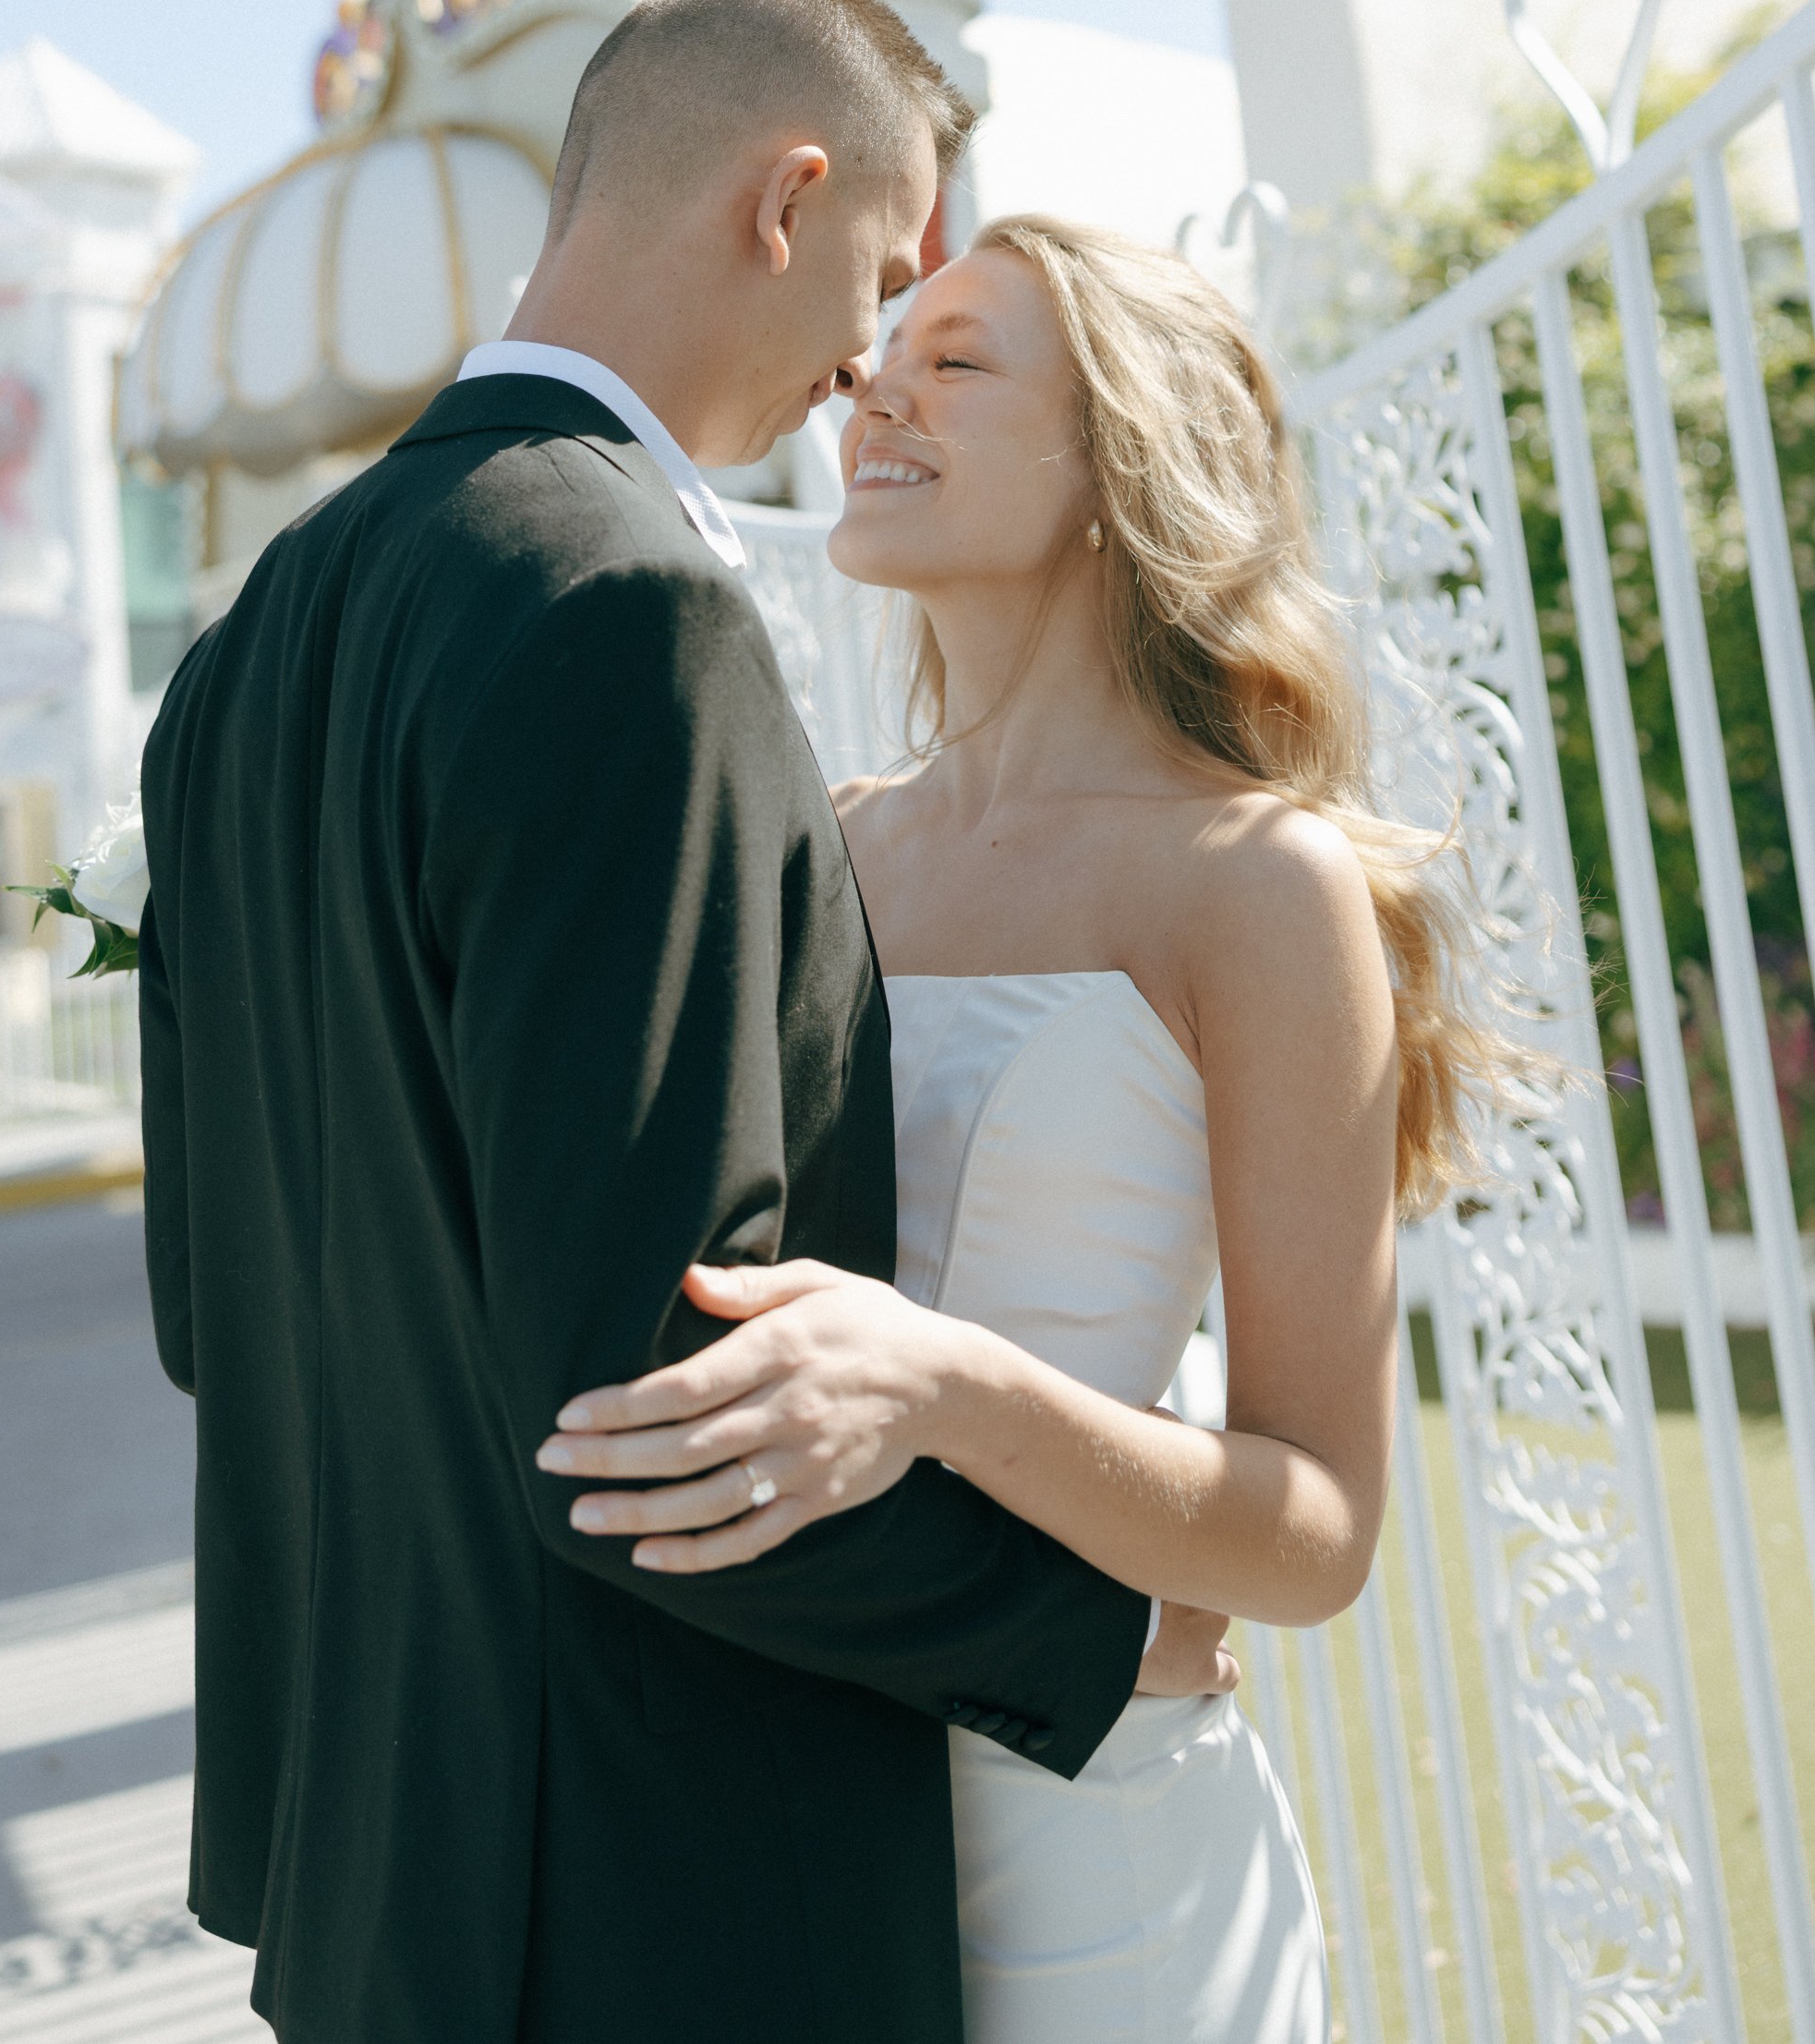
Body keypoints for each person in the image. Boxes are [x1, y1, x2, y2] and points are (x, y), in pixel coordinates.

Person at [136, 0, 1230, 2044]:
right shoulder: (625, 606)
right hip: (645, 1905)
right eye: (884, 268)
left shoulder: (250, 641)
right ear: (784, 196)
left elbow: (215, 1303)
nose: (864, 357)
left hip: (369, 1880)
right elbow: (653, 1406)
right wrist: (1094, 1627)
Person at [540, 217, 1527, 2044]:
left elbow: (1312, 1528)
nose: (871, 385)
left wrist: (941, 1383)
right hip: (788, 1812)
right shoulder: (821, 839)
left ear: (1114, 460)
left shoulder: (1255, 881)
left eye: (958, 357)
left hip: (1098, 1871)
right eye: (882, 349)